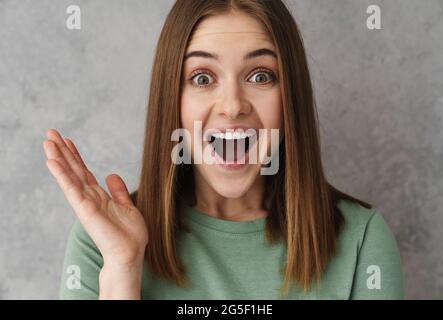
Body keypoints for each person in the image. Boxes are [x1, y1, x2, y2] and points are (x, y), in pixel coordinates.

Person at [43, 0, 405, 299]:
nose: (232, 105)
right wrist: (123, 270)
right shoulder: (103, 243)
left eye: (260, 76)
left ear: (289, 99)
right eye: (202, 78)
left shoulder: (361, 239)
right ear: (173, 101)